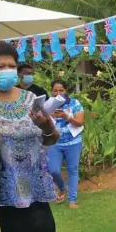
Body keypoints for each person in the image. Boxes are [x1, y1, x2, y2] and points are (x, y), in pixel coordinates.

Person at [0, 41, 61, 232]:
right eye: (0, 66)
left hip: (36, 182)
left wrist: (46, 124)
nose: (7, 70)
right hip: (3, 186)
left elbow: (51, 139)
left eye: (11, 65)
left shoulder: (30, 99)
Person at [47, 79, 85, 208]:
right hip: (54, 143)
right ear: (52, 91)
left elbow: (80, 122)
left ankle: (72, 200)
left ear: (66, 90)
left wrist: (66, 117)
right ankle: (63, 188)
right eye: (55, 90)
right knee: (53, 169)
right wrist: (48, 116)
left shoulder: (74, 103)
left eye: (61, 90)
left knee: (72, 170)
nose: (58, 93)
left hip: (73, 142)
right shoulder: (48, 105)